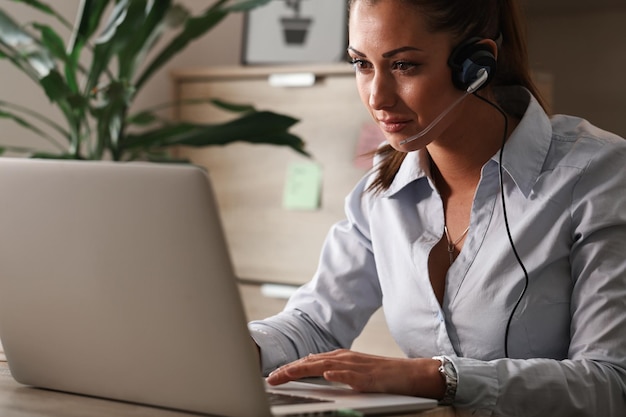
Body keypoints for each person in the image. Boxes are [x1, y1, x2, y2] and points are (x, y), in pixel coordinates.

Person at [248, 0, 626, 416]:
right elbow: (316, 323)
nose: (377, 96)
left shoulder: (598, 174)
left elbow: (611, 383)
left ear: (475, 64)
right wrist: (234, 349)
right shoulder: (385, 189)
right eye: (361, 64)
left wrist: (435, 377)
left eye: (404, 65)